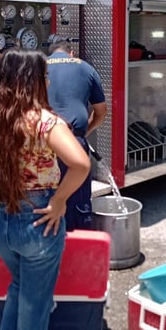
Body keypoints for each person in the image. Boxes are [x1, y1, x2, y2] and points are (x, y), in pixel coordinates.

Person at [0, 49, 90, 330]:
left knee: (19, 289)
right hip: (37, 221)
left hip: (0, 220)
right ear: (33, 80)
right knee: (35, 306)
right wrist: (58, 203)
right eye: (45, 76)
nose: (50, 81)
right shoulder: (45, 122)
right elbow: (81, 163)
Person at [46, 35, 107, 230]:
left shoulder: (39, 67)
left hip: (41, 145)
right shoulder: (85, 67)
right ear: (71, 53)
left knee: (45, 202)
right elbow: (101, 111)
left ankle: (50, 248)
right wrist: (86, 132)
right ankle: (77, 245)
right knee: (78, 202)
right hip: (73, 143)